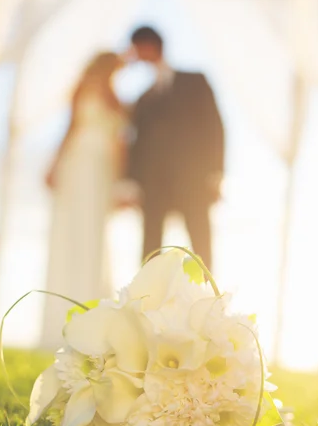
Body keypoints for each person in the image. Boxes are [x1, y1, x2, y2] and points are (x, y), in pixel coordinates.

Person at [41, 52, 125, 347]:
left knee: (94, 237)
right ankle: (62, 317)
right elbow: (71, 128)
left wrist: (120, 183)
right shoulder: (83, 89)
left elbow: (121, 142)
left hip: (103, 170)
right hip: (79, 164)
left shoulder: (117, 99)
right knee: (72, 234)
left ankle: (94, 318)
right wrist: (54, 165)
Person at [125, 26, 225, 271]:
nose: (134, 55)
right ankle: (147, 303)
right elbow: (136, 144)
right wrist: (132, 182)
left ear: (149, 46)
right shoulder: (143, 97)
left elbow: (214, 125)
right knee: (150, 251)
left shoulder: (195, 80)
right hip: (154, 185)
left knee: (201, 244)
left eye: (137, 48)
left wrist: (215, 174)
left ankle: (209, 300)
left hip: (193, 180)